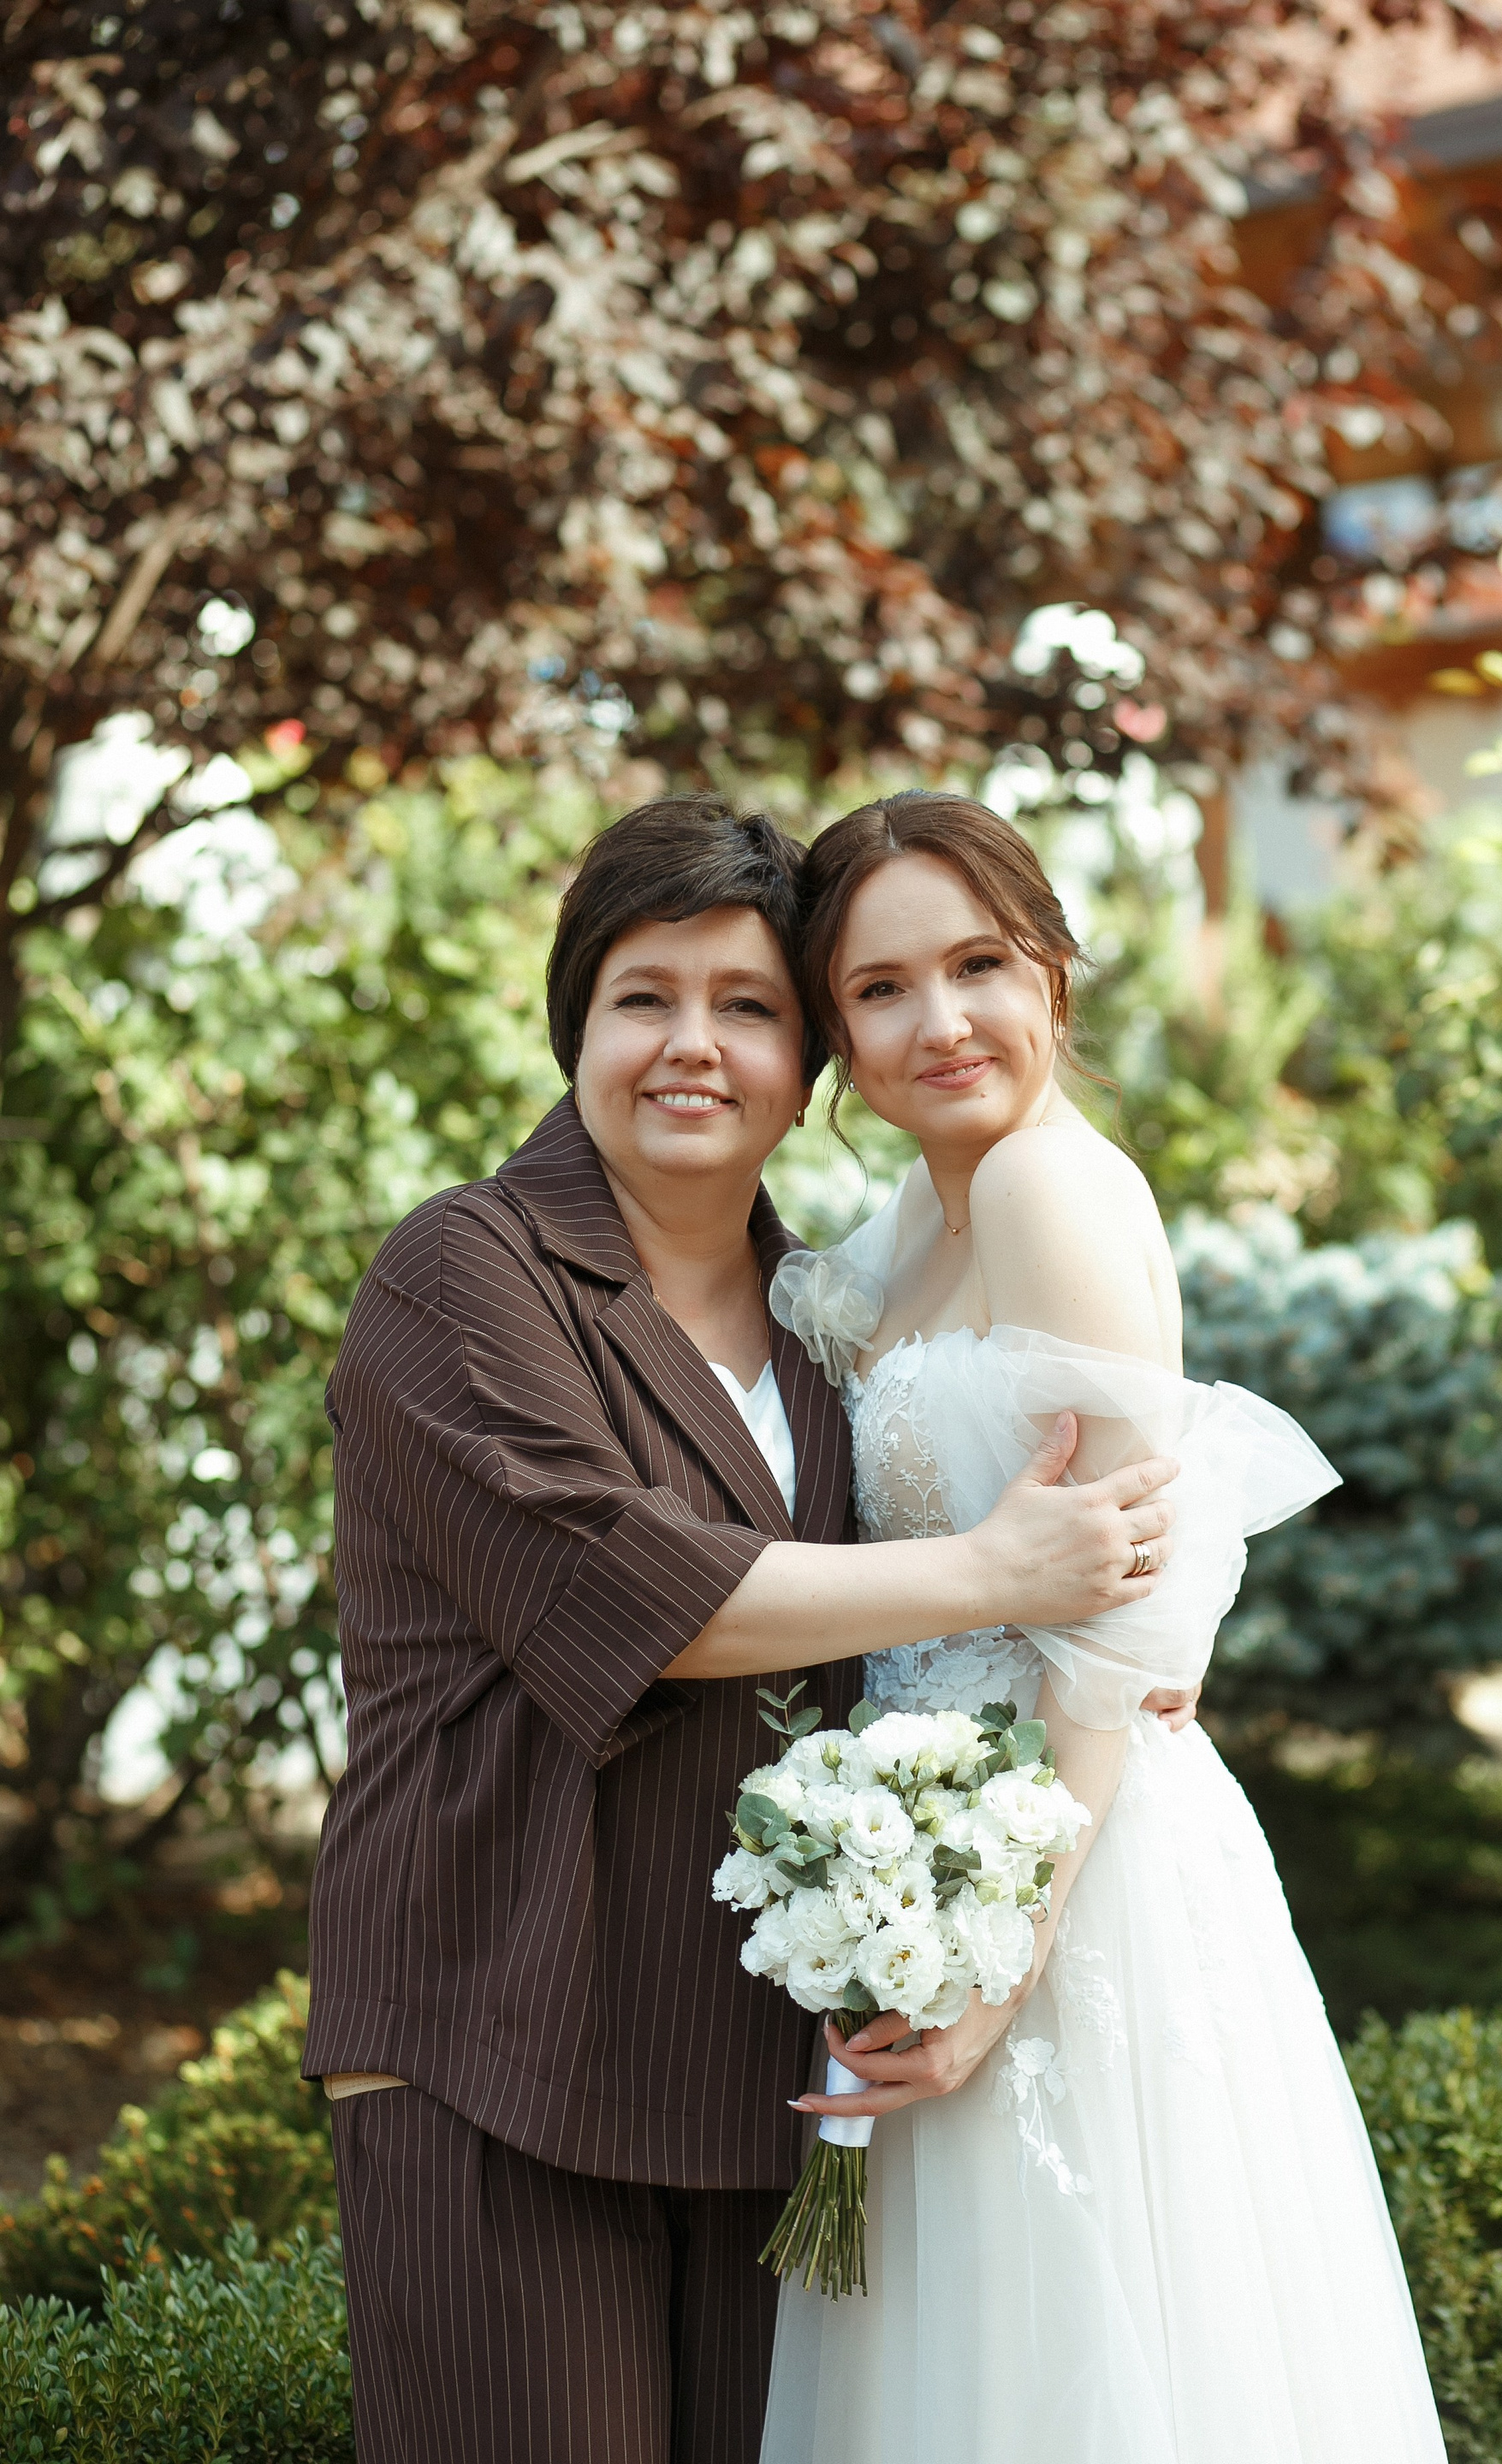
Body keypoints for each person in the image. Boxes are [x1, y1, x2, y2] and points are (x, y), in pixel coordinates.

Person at [302, 795, 1186, 2464]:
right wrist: (1004, 1572)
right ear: (576, 1030)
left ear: (805, 1060)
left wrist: (1130, 1660)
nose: (692, 1045)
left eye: (748, 1005)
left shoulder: (828, 1322)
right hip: (501, 2046)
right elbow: (623, 1591)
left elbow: (1080, 1537)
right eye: (643, 998)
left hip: (763, 2081)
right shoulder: (466, 1275)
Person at [759, 791, 1447, 2464]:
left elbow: (1124, 1617)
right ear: (835, 1037)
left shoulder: (1045, 1188)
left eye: (979, 965)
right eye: (881, 989)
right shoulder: (924, 1213)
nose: (942, 1022)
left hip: (1071, 1858)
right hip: (938, 1853)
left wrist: (1003, 1962)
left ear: (1052, 971)